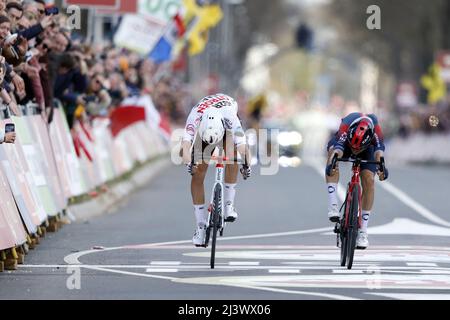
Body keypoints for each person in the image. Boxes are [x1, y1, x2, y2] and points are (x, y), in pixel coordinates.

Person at [181, 93, 251, 247]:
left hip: (225, 128)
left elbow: (243, 148)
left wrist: (246, 166)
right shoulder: (195, 117)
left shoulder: (231, 119)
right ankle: (200, 226)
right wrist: (189, 163)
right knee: (198, 173)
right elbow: (185, 146)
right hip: (205, 130)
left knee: (233, 154)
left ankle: (228, 205)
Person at [325, 112, 389, 249]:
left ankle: (363, 231)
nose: (355, 151)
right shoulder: (346, 126)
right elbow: (338, 149)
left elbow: (379, 154)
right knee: (332, 157)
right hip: (345, 144)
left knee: (369, 180)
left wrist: (381, 169)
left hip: (367, 148)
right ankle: (333, 205)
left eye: (357, 149)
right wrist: (332, 163)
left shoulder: (376, 133)